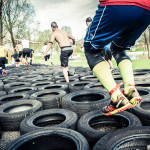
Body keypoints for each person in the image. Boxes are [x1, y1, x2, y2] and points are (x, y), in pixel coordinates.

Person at [84, 0, 150, 116]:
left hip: (118, 4)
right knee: (118, 48)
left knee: (91, 50)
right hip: (146, 10)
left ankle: (117, 98)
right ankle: (130, 90)